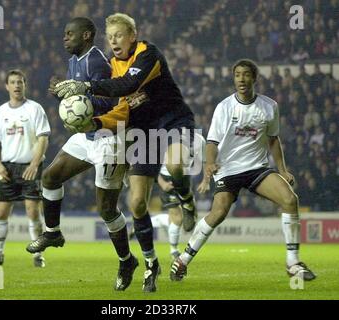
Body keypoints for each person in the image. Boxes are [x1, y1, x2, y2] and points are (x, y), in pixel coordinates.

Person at [52, 13, 196, 292]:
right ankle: (151, 263)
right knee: (137, 203)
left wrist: (87, 85)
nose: (114, 41)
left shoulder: (147, 54)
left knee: (176, 165)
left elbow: (128, 86)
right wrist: (94, 122)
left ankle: (187, 200)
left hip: (173, 121)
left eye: (119, 35)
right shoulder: (113, 67)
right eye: (110, 37)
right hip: (143, 132)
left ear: (132, 35)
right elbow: (120, 109)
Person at [170, 59, 316, 282]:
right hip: (228, 169)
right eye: (237, 74)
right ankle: (183, 259)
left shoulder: (269, 106)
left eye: (246, 74)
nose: (241, 79)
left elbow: (273, 139)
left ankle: (293, 262)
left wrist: (282, 170)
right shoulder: (224, 107)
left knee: (289, 199)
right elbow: (212, 142)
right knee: (219, 211)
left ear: (254, 78)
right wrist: (209, 164)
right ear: (233, 78)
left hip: (256, 168)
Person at [26, 18, 136, 291]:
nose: (65, 39)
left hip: (109, 139)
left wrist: (76, 97)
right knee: (50, 178)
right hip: (87, 136)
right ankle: (52, 233)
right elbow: (77, 101)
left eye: (69, 34)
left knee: (107, 210)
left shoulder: (95, 60)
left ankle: (126, 261)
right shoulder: (75, 60)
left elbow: (108, 100)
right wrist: (62, 94)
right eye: (64, 34)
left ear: (86, 35)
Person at [0, 69, 50, 268]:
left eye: (20, 82)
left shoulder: (35, 109)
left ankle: (37, 255)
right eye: (13, 82)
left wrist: (35, 164)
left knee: (33, 212)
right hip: (8, 168)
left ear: (24, 85)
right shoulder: (0, 112)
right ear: (7, 86)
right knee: (1, 213)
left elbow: (43, 138)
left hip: (30, 166)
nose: (17, 85)